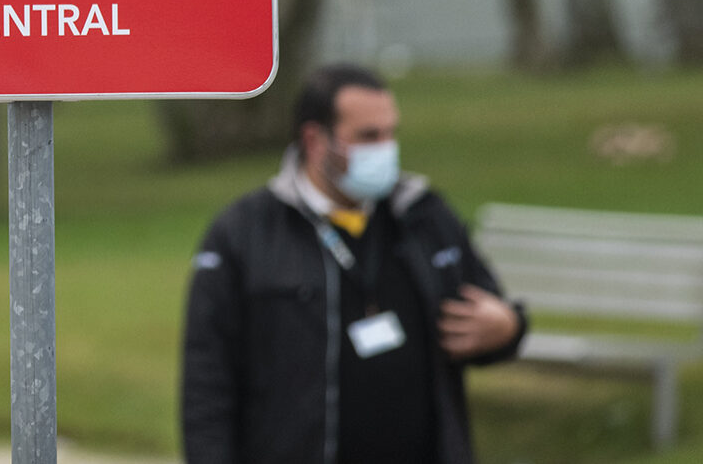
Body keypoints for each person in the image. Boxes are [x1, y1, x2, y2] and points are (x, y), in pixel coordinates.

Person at [181, 64, 527, 464]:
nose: (386, 149)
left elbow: (488, 321)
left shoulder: (424, 217)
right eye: (368, 137)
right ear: (314, 140)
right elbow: (206, 384)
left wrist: (509, 328)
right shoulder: (244, 233)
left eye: (390, 133)